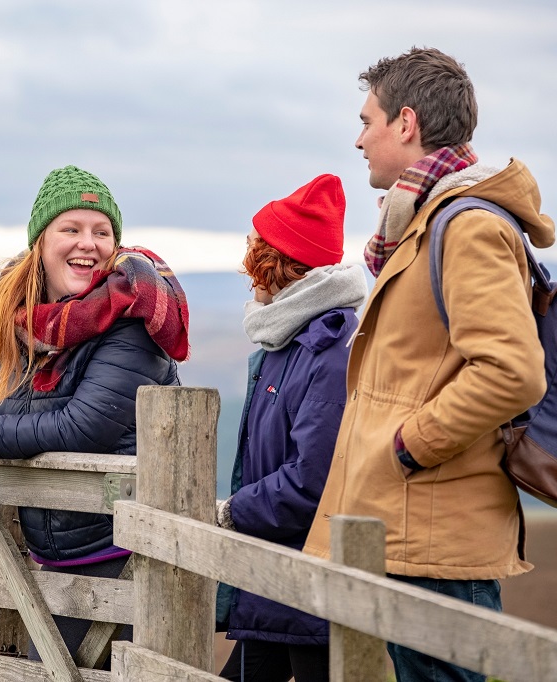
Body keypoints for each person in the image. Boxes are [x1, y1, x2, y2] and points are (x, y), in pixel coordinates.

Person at [303, 47, 555, 681]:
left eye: (369, 121)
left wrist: (409, 445)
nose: (359, 139)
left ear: (406, 123)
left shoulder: (466, 226)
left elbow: (513, 370)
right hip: (411, 527)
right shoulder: (422, 222)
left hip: (438, 533)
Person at [0, 164, 189, 663]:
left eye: (101, 232)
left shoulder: (133, 322)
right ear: (40, 243)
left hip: (124, 559)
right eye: (71, 229)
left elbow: (83, 427)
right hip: (52, 561)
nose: (88, 244)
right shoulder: (22, 323)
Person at [214, 175, 367, 682]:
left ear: (275, 264)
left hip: (308, 592)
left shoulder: (326, 351)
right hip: (273, 584)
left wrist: (233, 512)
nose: (248, 275)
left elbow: (314, 480)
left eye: (254, 259)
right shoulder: (288, 341)